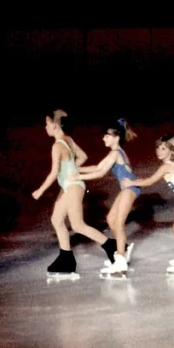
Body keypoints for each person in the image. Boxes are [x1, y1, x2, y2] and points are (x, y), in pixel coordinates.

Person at [31, 109, 116, 275]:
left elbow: (54, 172)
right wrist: (72, 168)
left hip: (72, 187)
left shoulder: (57, 146)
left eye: (47, 124)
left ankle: (111, 246)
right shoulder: (68, 139)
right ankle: (66, 258)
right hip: (70, 186)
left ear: (55, 125)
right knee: (56, 219)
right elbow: (83, 156)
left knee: (77, 225)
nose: (45, 127)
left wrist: (40, 190)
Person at [121, 134, 174, 274]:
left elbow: (150, 181)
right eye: (158, 148)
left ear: (171, 151)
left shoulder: (167, 167)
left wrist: (131, 182)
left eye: (163, 148)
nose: (159, 151)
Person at [76, 118, 139, 275]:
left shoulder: (116, 152)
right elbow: (98, 167)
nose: (103, 138)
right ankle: (122, 250)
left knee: (118, 222)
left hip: (130, 188)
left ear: (116, 138)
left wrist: (78, 177)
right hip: (127, 189)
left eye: (107, 136)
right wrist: (77, 169)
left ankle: (121, 260)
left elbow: (101, 173)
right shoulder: (115, 153)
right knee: (111, 220)